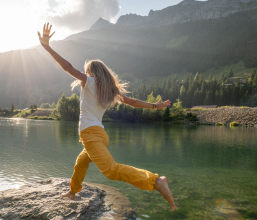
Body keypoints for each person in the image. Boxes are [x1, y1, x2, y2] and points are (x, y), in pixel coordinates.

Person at [38, 23, 175, 210]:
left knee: (111, 171)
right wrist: (155, 106)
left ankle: (155, 181)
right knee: (81, 163)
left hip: (91, 135)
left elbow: (68, 67)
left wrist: (47, 47)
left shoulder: (89, 81)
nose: (84, 75)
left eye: (86, 72)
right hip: (100, 135)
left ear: (91, 72)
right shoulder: (110, 90)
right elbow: (132, 102)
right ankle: (72, 192)